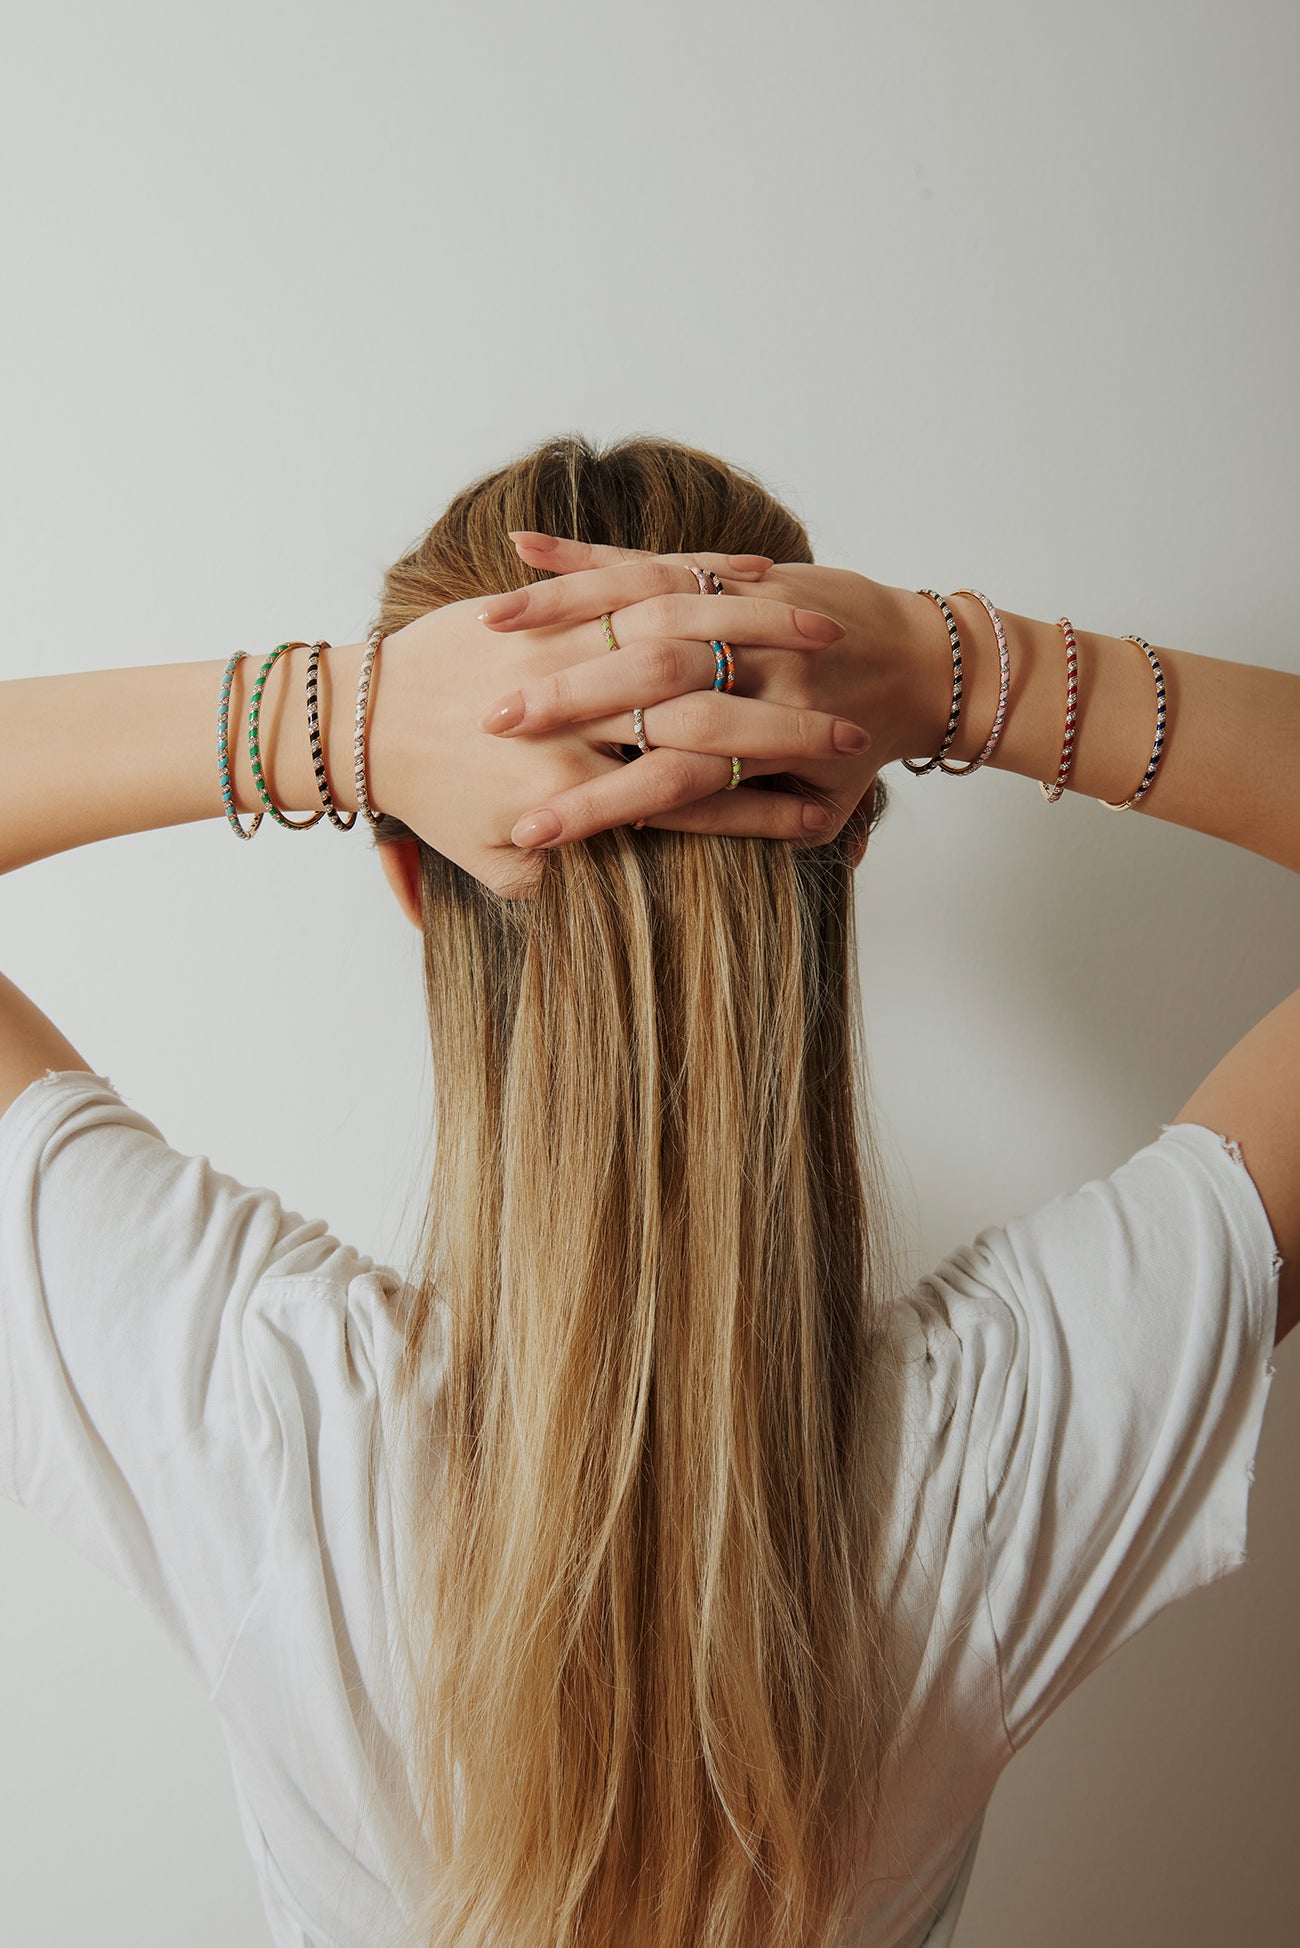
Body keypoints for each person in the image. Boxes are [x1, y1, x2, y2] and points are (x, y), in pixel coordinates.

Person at [0, 433, 1294, 1948]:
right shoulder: (1004, 1444)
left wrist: (338, 721)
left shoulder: (255, 1412)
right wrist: (962, 673)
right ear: (850, 844)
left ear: (411, 881)